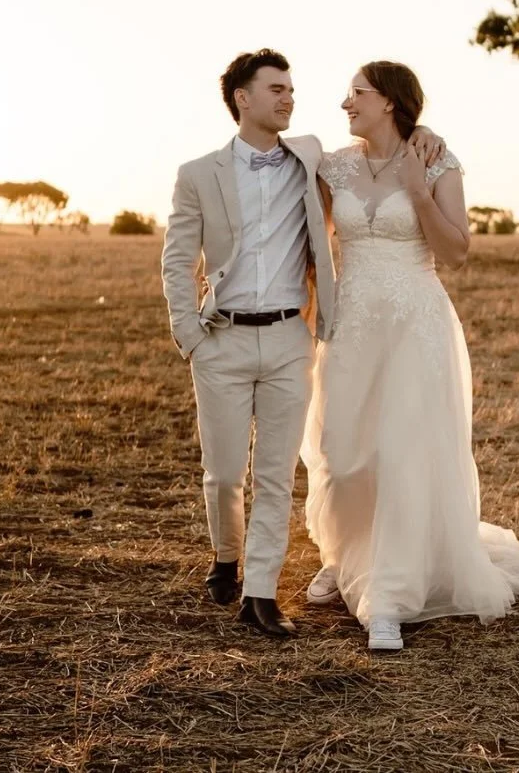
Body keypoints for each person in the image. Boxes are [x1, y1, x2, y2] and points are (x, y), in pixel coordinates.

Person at [161, 49, 442, 639]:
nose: (290, 97)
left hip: (292, 337)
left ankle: (260, 595)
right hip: (221, 341)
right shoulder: (197, 173)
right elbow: (178, 259)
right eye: (277, 89)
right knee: (222, 474)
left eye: (292, 89)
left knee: (275, 474)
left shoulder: (310, 156)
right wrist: (191, 336)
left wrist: (424, 130)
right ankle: (225, 557)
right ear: (243, 98)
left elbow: (388, 144)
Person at [301, 61, 519, 652]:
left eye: (356, 93)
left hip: (416, 321)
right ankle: (344, 557)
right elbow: (311, 245)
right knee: (343, 451)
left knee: (403, 452)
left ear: (389, 101)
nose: (345, 104)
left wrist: (417, 191)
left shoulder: (438, 163)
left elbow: (457, 251)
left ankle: (388, 595)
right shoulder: (332, 166)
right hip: (352, 326)